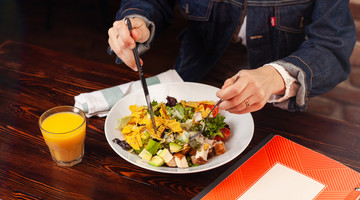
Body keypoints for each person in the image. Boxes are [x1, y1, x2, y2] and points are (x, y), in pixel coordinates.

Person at [107, 0, 356, 114]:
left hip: (275, 105)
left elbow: (332, 47)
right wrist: (137, 18)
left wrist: (274, 76)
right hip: (191, 84)